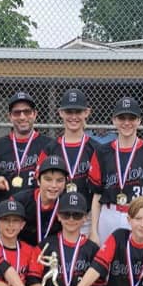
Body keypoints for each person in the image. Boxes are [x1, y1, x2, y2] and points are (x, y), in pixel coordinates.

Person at [88, 97, 143, 244]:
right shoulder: (102, 152)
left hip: (140, 215)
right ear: (114, 121)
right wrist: (93, 230)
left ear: (139, 121)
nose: (127, 123)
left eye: (132, 118)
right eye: (122, 118)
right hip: (109, 213)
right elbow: (97, 196)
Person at [0, 92, 53, 223]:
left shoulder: (49, 145)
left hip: (39, 217)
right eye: (17, 113)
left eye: (27, 112)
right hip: (6, 216)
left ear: (35, 114)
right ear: (10, 116)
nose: (22, 117)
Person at [38, 89, 99, 235]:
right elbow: (40, 184)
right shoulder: (50, 149)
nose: (73, 117)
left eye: (78, 112)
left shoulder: (97, 149)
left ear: (87, 112)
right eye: (69, 112)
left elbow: (100, 190)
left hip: (86, 217)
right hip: (57, 215)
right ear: (60, 113)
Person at [13, 155, 67, 246]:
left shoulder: (67, 204)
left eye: (59, 180)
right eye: (48, 179)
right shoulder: (19, 202)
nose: (54, 185)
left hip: (53, 255)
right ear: (38, 180)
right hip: (22, 253)